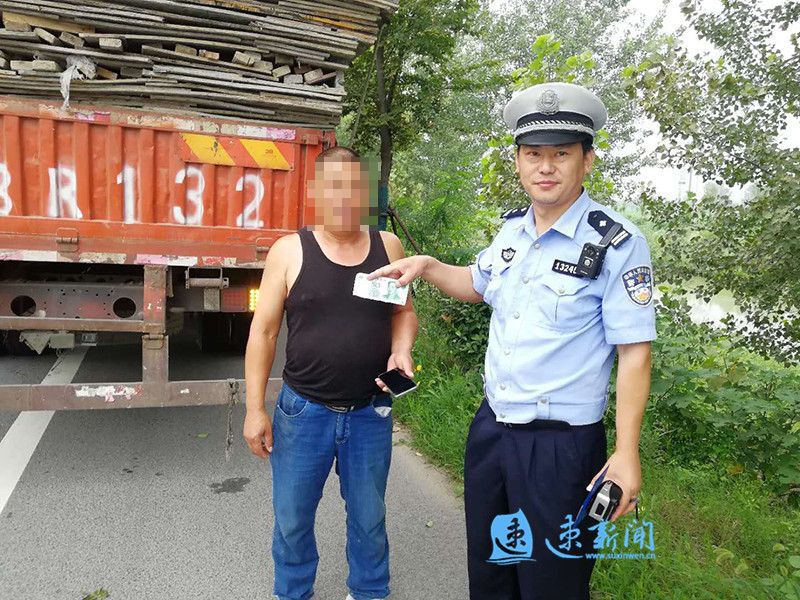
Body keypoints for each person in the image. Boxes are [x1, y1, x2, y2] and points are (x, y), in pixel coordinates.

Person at [368, 82, 656, 599]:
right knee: (492, 571)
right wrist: (427, 266)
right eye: (533, 154)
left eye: (561, 154)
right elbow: (476, 285)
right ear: (519, 162)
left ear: (587, 160)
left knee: (552, 584)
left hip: (560, 448)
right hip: (492, 432)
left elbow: (634, 353)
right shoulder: (512, 232)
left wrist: (626, 453)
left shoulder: (616, 243)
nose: (546, 167)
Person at [243, 146, 418, 600]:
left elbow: (403, 313)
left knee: (369, 517)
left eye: (355, 187)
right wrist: (254, 409)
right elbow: (263, 332)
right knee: (292, 517)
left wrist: (401, 349)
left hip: (370, 412)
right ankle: (293, 592)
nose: (345, 198)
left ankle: (369, 590)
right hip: (303, 412)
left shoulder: (388, 247)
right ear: (315, 192)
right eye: (334, 187)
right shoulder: (288, 251)